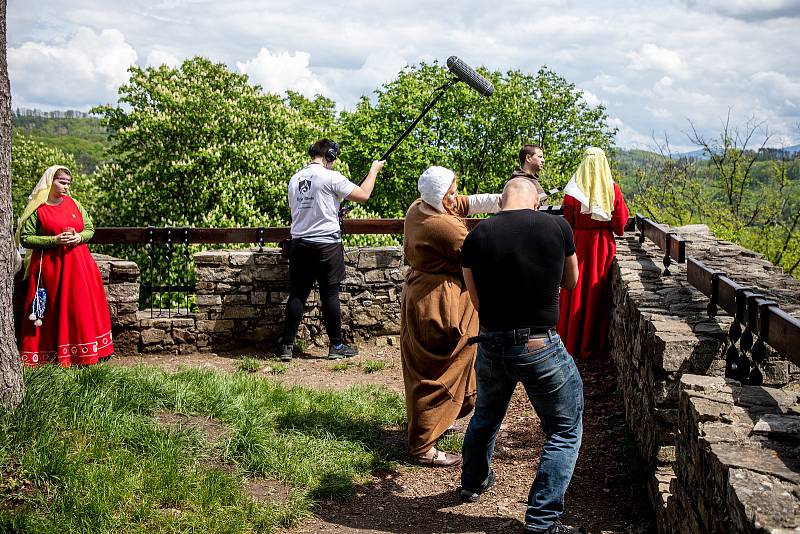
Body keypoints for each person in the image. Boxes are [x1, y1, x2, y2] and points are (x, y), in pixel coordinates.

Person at [459, 178, 585, 534]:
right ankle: (543, 520)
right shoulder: (557, 226)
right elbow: (572, 280)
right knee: (564, 428)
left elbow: (475, 297)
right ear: (536, 202)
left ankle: (473, 481)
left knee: (486, 413)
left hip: (491, 342)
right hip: (538, 344)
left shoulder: (477, 236)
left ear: (501, 200)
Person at [400, 166, 501, 467]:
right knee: (438, 370)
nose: (456, 197)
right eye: (452, 193)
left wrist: (508, 199)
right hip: (438, 303)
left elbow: (471, 203)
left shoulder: (419, 207)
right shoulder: (443, 226)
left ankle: (440, 420)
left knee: (432, 366)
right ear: (440, 197)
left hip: (420, 293)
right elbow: (480, 254)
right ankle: (423, 447)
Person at [279, 139, 385, 362]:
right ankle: (336, 345)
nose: (335, 162)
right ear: (329, 155)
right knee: (330, 294)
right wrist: (373, 170)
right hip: (326, 244)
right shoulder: (331, 177)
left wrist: (333, 208)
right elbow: (364, 195)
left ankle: (286, 345)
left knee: (298, 294)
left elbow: (305, 209)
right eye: (334, 157)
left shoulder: (295, 179)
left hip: (299, 243)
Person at [16, 165, 114, 367]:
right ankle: (52, 356)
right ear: (50, 182)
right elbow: (25, 238)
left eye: (68, 183)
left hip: (79, 266)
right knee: (53, 311)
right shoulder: (38, 210)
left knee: (79, 309)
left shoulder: (75, 204)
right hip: (51, 269)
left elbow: (89, 229)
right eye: (62, 182)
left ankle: (85, 354)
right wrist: (55, 240)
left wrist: (78, 237)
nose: (66, 187)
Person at [557, 147, 629, 359]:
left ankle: (569, 342)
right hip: (602, 246)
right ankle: (591, 345)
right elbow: (620, 224)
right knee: (596, 295)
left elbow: (567, 222)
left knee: (574, 291)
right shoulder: (612, 189)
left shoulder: (573, 191)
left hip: (578, 243)